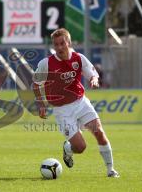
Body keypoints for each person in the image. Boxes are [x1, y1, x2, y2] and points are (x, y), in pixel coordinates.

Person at [33, 28, 119, 177]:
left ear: (68, 43)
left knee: (99, 132)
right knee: (80, 147)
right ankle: (69, 149)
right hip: (62, 111)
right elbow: (36, 84)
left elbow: (92, 73)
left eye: (62, 43)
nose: (59, 47)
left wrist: (94, 79)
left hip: (81, 103)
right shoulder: (46, 63)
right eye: (56, 44)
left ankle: (111, 170)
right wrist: (41, 104)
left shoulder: (78, 58)